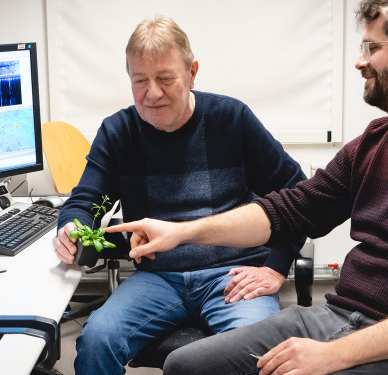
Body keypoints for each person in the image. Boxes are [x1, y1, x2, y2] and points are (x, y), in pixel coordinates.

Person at [108, 1, 388, 374]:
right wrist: (183, 232)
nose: (360, 60)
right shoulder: (376, 140)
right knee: (187, 365)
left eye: (372, 47)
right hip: (341, 318)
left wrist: (332, 355)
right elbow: (290, 210)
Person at [53, 15, 307, 374]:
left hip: (232, 274)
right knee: (97, 339)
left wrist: (275, 268)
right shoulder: (118, 131)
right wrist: (73, 228)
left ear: (192, 72)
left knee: (257, 354)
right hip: (158, 278)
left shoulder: (231, 119)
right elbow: (84, 202)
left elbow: (300, 196)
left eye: (165, 79)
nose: (152, 93)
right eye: (139, 81)